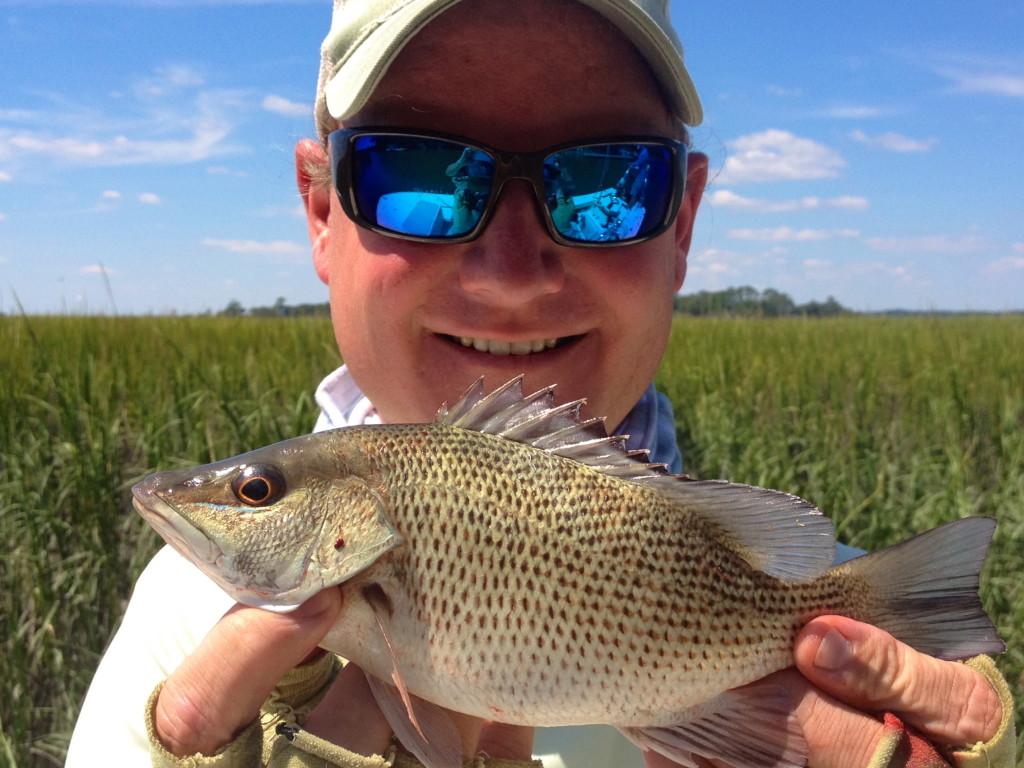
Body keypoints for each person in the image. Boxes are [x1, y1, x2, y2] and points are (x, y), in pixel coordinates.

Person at [66, 0, 1015, 766]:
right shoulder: (179, 628)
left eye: (609, 182)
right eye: (418, 170)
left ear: (682, 223)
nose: (511, 272)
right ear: (320, 212)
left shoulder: (836, 610)